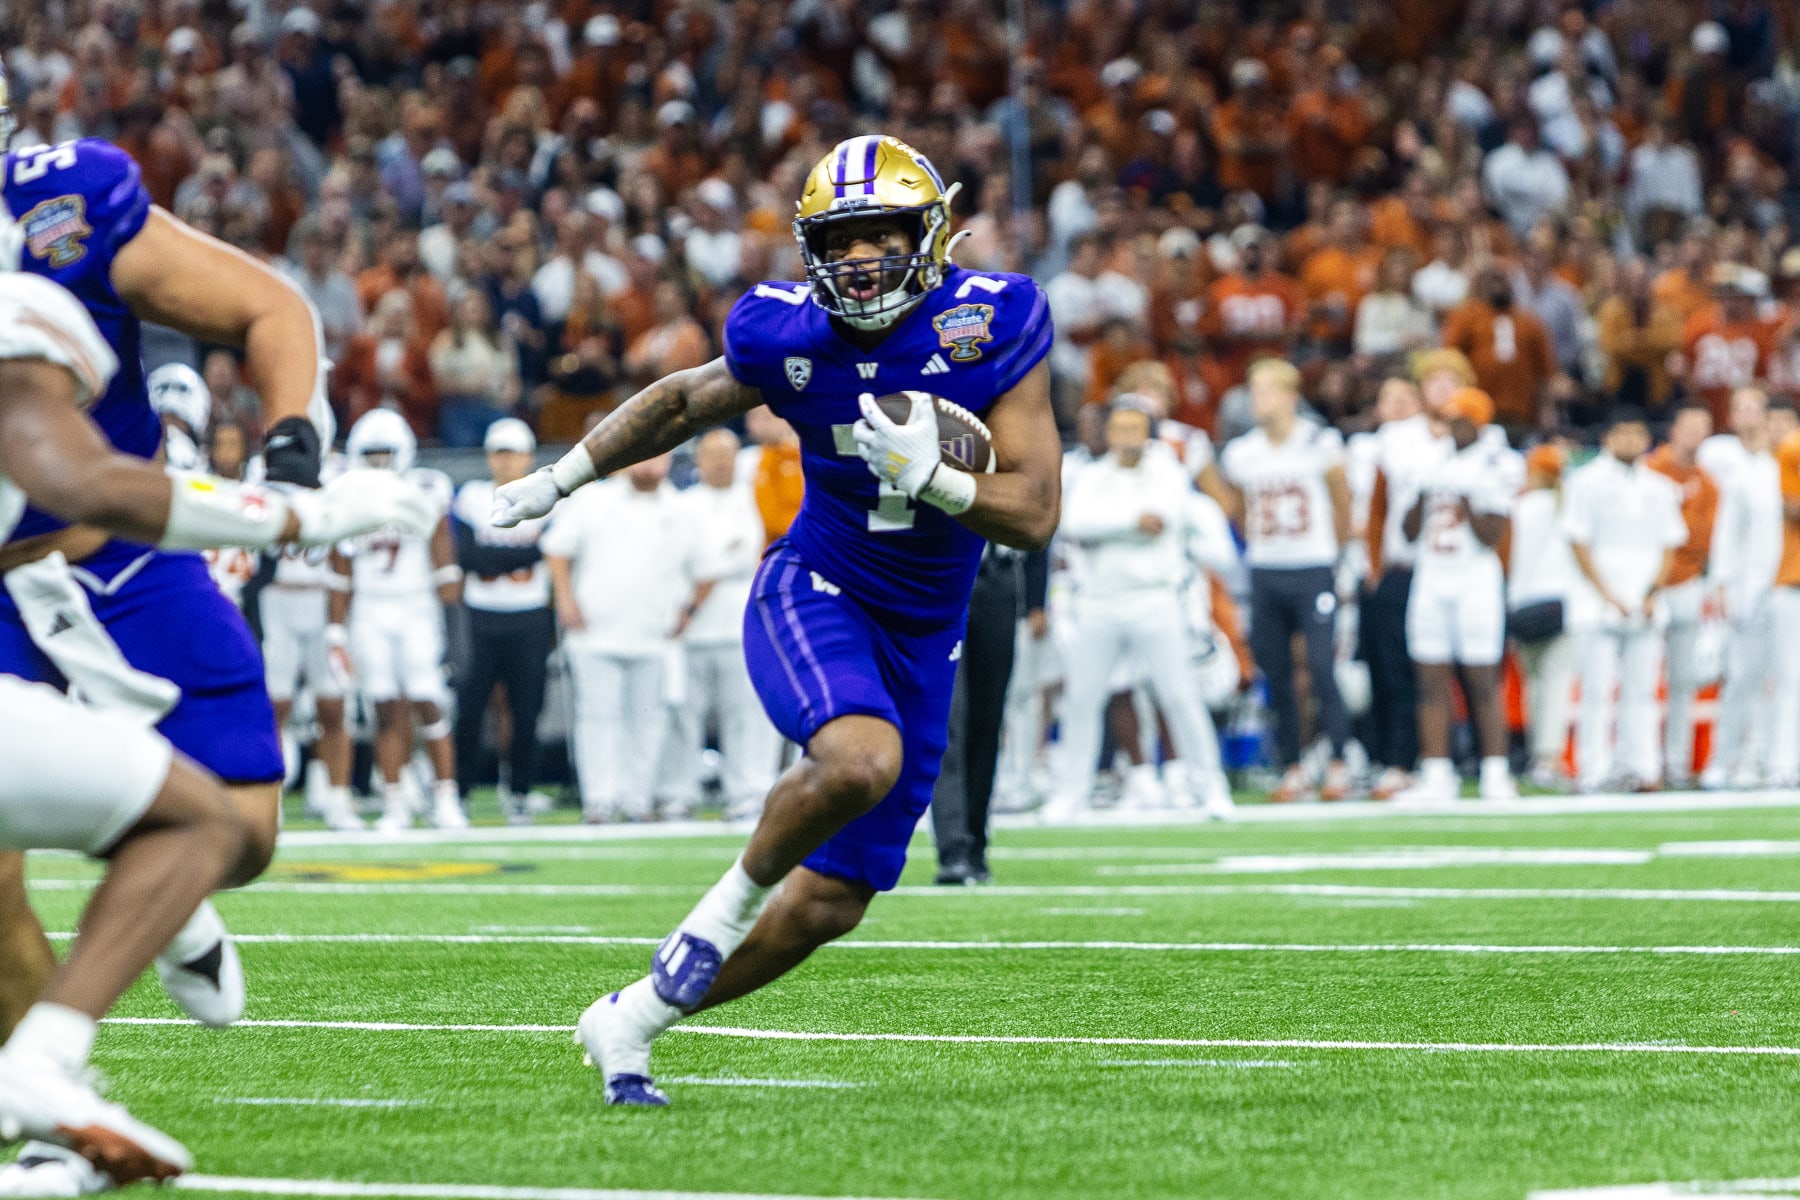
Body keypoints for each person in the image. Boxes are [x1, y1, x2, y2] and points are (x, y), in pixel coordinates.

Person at [491, 134, 1057, 1105]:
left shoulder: (991, 321)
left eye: (881, 235)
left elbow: (1037, 512)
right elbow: (684, 402)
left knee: (832, 904)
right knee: (856, 760)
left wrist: (936, 480)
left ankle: (629, 1018)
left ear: (931, 234)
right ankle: (710, 922)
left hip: (928, 632)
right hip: (815, 587)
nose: (859, 260)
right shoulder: (787, 333)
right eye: (839, 242)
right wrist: (561, 477)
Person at [0, 270, 430, 1187]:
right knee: (183, 822)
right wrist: (302, 513)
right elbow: (87, 480)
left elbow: (263, 308)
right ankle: (44, 1081)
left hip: (109, 578)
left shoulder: (74, 218)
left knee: (224, 825)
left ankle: (164, 914)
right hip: (43, 577)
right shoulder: (28, 335)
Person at [0, 114, 339, 1197]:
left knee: (236, 834)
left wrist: (290, 448)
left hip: (128, 564)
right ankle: (59, 1115)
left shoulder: (56, 212)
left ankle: (165, 890)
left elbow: (265, 306)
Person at [1047, 394, 1232, 820]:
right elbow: (1077, 525)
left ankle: (1211, 788)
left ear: (1148, 432)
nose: (1127, 437)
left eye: (1135, 428)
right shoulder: (1091, 476)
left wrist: (1110, 525)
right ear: (1108, 432)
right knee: (1082, 700)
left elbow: (1162, 517)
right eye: (1120, 428)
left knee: (1180, 696)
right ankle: (1069, 795)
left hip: (1155, 597)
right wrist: (1132, 522)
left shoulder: (1167, 470)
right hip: (1099, 601)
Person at [1216, 358, 1354, 802]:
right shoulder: (1242, 452)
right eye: (1254, 390)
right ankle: (1292, 765)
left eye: (1266, 390)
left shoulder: (1320, 442)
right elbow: (1238, 510)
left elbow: (1342, 503)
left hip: (1313, 565)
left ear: (1291, 395)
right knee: (1275, 672)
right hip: (1266, 568)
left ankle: (1338, 761)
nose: (1257, 399)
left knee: (1320, 665)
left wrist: (1336, 557)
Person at [328, 410, 465, 832]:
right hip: (370, 607)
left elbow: (442, 555)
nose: (380, 462)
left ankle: (445, 797)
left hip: (415, 606)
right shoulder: (348, 493)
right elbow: (341, 568)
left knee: (428, 698)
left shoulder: (426, 487)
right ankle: (395, 801)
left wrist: (454, 621)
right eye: (372, 454)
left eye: (387, 453)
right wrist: (336, 630)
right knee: (383, 705)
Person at [543, 453, 697, 823]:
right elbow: (556, 549)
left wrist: (686, 610)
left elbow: (703, 567)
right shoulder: (593, 499)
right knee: (597, 717)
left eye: (658, 459)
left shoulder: (681, 507)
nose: (648, 466)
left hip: (654, 634)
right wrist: (564, 598)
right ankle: (600, 800)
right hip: (594, 631)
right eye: (644, 458)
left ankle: (637, 800)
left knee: (648, 720)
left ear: (669, 462)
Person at [1396, 388, 1517, 803]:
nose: (1453, 426)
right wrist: (1423, 494)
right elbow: (1407, 532)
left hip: (1475, 581)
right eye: (1450, 419)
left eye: (1461, 419)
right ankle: (1436, 772)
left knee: (1482, 678)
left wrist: (1464, 497)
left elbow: (1492, 536)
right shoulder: (1433, 460)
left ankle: (1495, 773)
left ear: (1479, 422)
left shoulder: (1495, 463)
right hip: (1431, 577)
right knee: (1430, 678)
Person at [1563, 408, 1688, 792]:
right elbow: (1579, 542)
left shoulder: (1660, 487)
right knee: (1597, 688)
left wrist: (1651, 593)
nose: (1631, 441)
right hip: (1598, 599)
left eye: (1637, 434)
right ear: (1607, 438)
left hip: (1645, 597)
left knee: (1642, 689)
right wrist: (1607, 595)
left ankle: (1642, 767)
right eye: (1623, 433)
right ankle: (1593, 770)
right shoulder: (1585, 482)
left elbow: (1669, 544)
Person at [664, 429, 779, 822]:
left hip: (742, 624)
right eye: (710, 453)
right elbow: (682, 560)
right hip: (691, 627)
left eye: (726, 453)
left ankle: (749, 791)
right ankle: (679, 791)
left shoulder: (752, 499)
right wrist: (715, 561)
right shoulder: (682, 505)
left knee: (746, 714)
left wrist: (710, 563)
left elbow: (744, 554)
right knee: (683, 716)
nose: (719, 461)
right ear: (697, 458)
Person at [451, 418, 556, 822]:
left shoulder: (547, 495)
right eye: (499, 453)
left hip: (529, 614)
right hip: (481, 616)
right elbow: (468, 556)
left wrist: (497, 557)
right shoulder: (472, 497)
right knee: (471, 707)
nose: (506, 461)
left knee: (527, 708)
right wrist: (518, 555)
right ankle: (459, 791)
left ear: (528, 456)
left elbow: (545, 550)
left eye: (513, 453)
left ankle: (520, 791)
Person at [1703, 389, 1781, 789]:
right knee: (1741, 677)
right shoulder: (1736, 468)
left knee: (1781, 678)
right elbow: (1726, 533)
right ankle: (1724, 759)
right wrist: (1722, 582)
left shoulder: (1781, 467)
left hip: (1785, 584)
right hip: (1748, 586)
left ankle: (1766, 759)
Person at [1643, 404, 1719, 788]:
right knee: (1640, 679)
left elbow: (1707, 539)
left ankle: (1676, 762)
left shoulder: (1708, 483)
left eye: (1702, 427)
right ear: (1672, 429)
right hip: (1648, 584)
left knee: (1683, 680)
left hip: (1687, 581)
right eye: (1688, 426)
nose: (1694, 434)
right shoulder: (1650, 473)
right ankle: (1643, 764)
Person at [1508, 444, 1578, 789]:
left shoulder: (1519, 507)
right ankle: (1549, 758)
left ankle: (1538, 755)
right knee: (1556, 682)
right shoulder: (1566, 507)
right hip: (1559, 600)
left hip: (1521, 602)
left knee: (1533, 683)